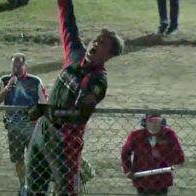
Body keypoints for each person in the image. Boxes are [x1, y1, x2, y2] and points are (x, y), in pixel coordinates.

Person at [26, 0, 124, 195]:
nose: (95, 43)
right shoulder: (74, 54)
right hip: (42, 130)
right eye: (95, 39)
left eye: (102, 43)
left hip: (64, 144)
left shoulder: (97, 82)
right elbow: (67, 21)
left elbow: (79, 114)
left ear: (109, 55)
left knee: (66, 192)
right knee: (34, 187)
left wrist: (44, 109)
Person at [0, 52, 47, 196]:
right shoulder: (4, 80)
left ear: (24, 65)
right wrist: (7, 88)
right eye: (14, 65)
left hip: (33, 128)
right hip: (13, 128)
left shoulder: (35, 81)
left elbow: (44, 102)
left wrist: (36, 113)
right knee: (18, 159)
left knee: (34, 158)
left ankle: (33, 185)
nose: (16, 68)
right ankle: (22, 185)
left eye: (19, 65)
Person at [120, 114, 185, 196]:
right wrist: (128, 169)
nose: (154, 124)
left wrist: (175, 163)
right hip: (142, 175)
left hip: (162, 176)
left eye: (157, 121)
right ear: (145, 122)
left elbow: (178, 154)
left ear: (162, 122)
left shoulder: (169, 134)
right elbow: (125, 152)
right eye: (151, 121)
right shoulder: (136, 135)